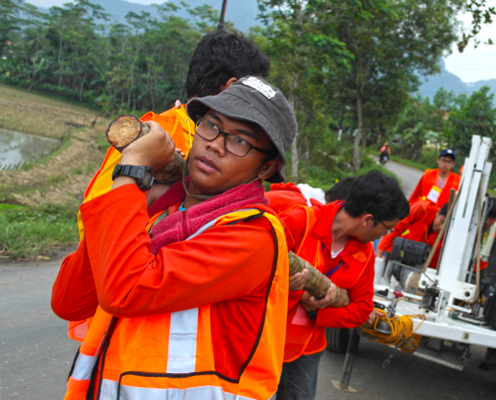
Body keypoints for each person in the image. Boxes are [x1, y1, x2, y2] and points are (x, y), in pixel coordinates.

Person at [51, 77, 297, 399]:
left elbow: (124, 291)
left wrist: (133, 169)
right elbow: (70, 300)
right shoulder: (159, 206)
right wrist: (137, 199)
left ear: (266, 168)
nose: (215, 144)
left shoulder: (253, 234)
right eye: (211, 125)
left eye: (239, 141)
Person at [78, 30, 271, 238]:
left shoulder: (214, 140)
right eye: (253, 94)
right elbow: (94, 219)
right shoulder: (154, 134)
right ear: (232, 87)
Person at [273, 171, 409, 400]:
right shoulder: (300, 221)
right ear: (367, 220)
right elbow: (248, 271)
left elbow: (362, 309)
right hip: (261, 338)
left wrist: (315, 310)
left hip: (305, 348)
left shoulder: (365, 254)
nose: (386, 234)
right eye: (387, 228)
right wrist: (287, 289)